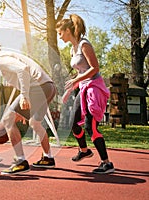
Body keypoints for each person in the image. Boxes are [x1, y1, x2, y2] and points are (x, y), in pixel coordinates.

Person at [0, 48, 57, 175]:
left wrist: (24, 95)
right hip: (48, 87)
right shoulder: (6, 56)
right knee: (35, 123)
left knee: (7, 120)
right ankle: (48, 157)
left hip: (37, 88)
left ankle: (21, 162)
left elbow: (22, 69)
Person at [55, 14, 115, 174]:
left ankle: (107, 163)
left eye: (60, 33)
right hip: (82, 88)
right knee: (73, 123)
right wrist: (70, 88)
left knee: (90, 126)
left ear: (68, 30)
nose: (59, 37)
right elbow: (81, 71)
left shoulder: (84, 44)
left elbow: (95, 68)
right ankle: (84, 150)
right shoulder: (72, 49)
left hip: (94, 89)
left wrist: (77, 79)